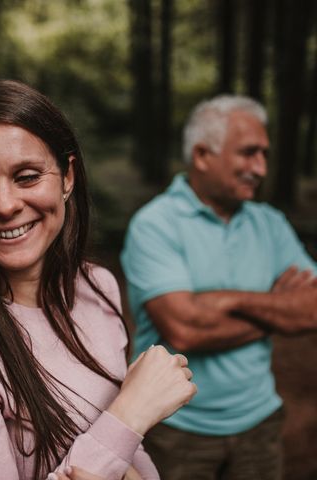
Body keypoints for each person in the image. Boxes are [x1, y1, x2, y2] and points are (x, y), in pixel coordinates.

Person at [0, 80, 196, 480]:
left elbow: (127, 455)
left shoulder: (98, 286)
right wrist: (130, 413)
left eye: (26, 177)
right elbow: (121, 434)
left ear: (67, 177)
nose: (5, 205)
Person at [121, 94, 317, 479]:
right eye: (248, 153)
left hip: (259, 423)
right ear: (202, 155)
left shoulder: (270, 224)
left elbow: (312, 309)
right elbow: (186, 329)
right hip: (175, 429)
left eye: (264, 154)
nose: (260, 168)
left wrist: (220, 301)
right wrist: (277, 309)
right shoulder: (155, 225)